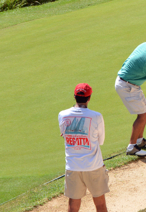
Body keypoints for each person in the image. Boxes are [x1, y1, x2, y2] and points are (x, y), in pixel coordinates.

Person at [58, 83, 109, 212]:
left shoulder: (62, 115)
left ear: (74, 97)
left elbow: (65, 136)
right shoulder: (96, 116)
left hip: (73, 166)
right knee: (100, 204)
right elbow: (101, 141)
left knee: (73, 206)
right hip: (94, 166)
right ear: (89, 98)